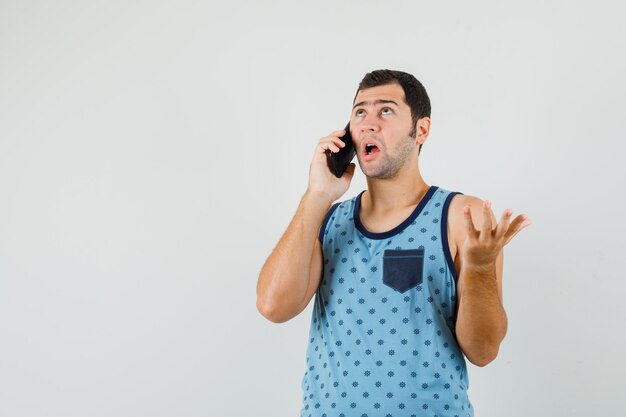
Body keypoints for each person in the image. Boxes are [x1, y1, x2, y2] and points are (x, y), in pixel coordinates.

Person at [256, 69, 531, 416]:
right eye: (360, 112)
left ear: (422, 129)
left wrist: (478, 268)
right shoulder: (326, 220)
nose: (369, 123)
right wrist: (317, 194)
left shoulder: (464, 217)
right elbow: (272, 306)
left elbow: (483, 350)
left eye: (386, 110)